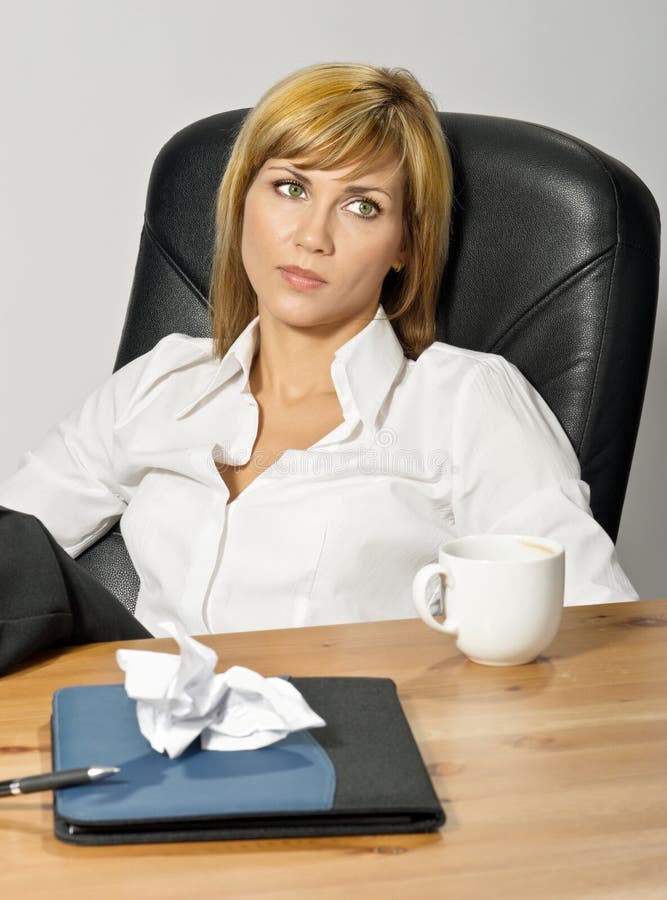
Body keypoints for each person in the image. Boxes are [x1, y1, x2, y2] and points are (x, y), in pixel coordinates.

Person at [0, 61, 637, 672]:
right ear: (242, 200)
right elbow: (14, 552)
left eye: (362, 205)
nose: (312, 235)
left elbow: (602, 629)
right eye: (291, 187)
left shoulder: (466, 401)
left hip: (348, 749)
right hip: (145, 738)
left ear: (405, 247)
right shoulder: (162, 382)